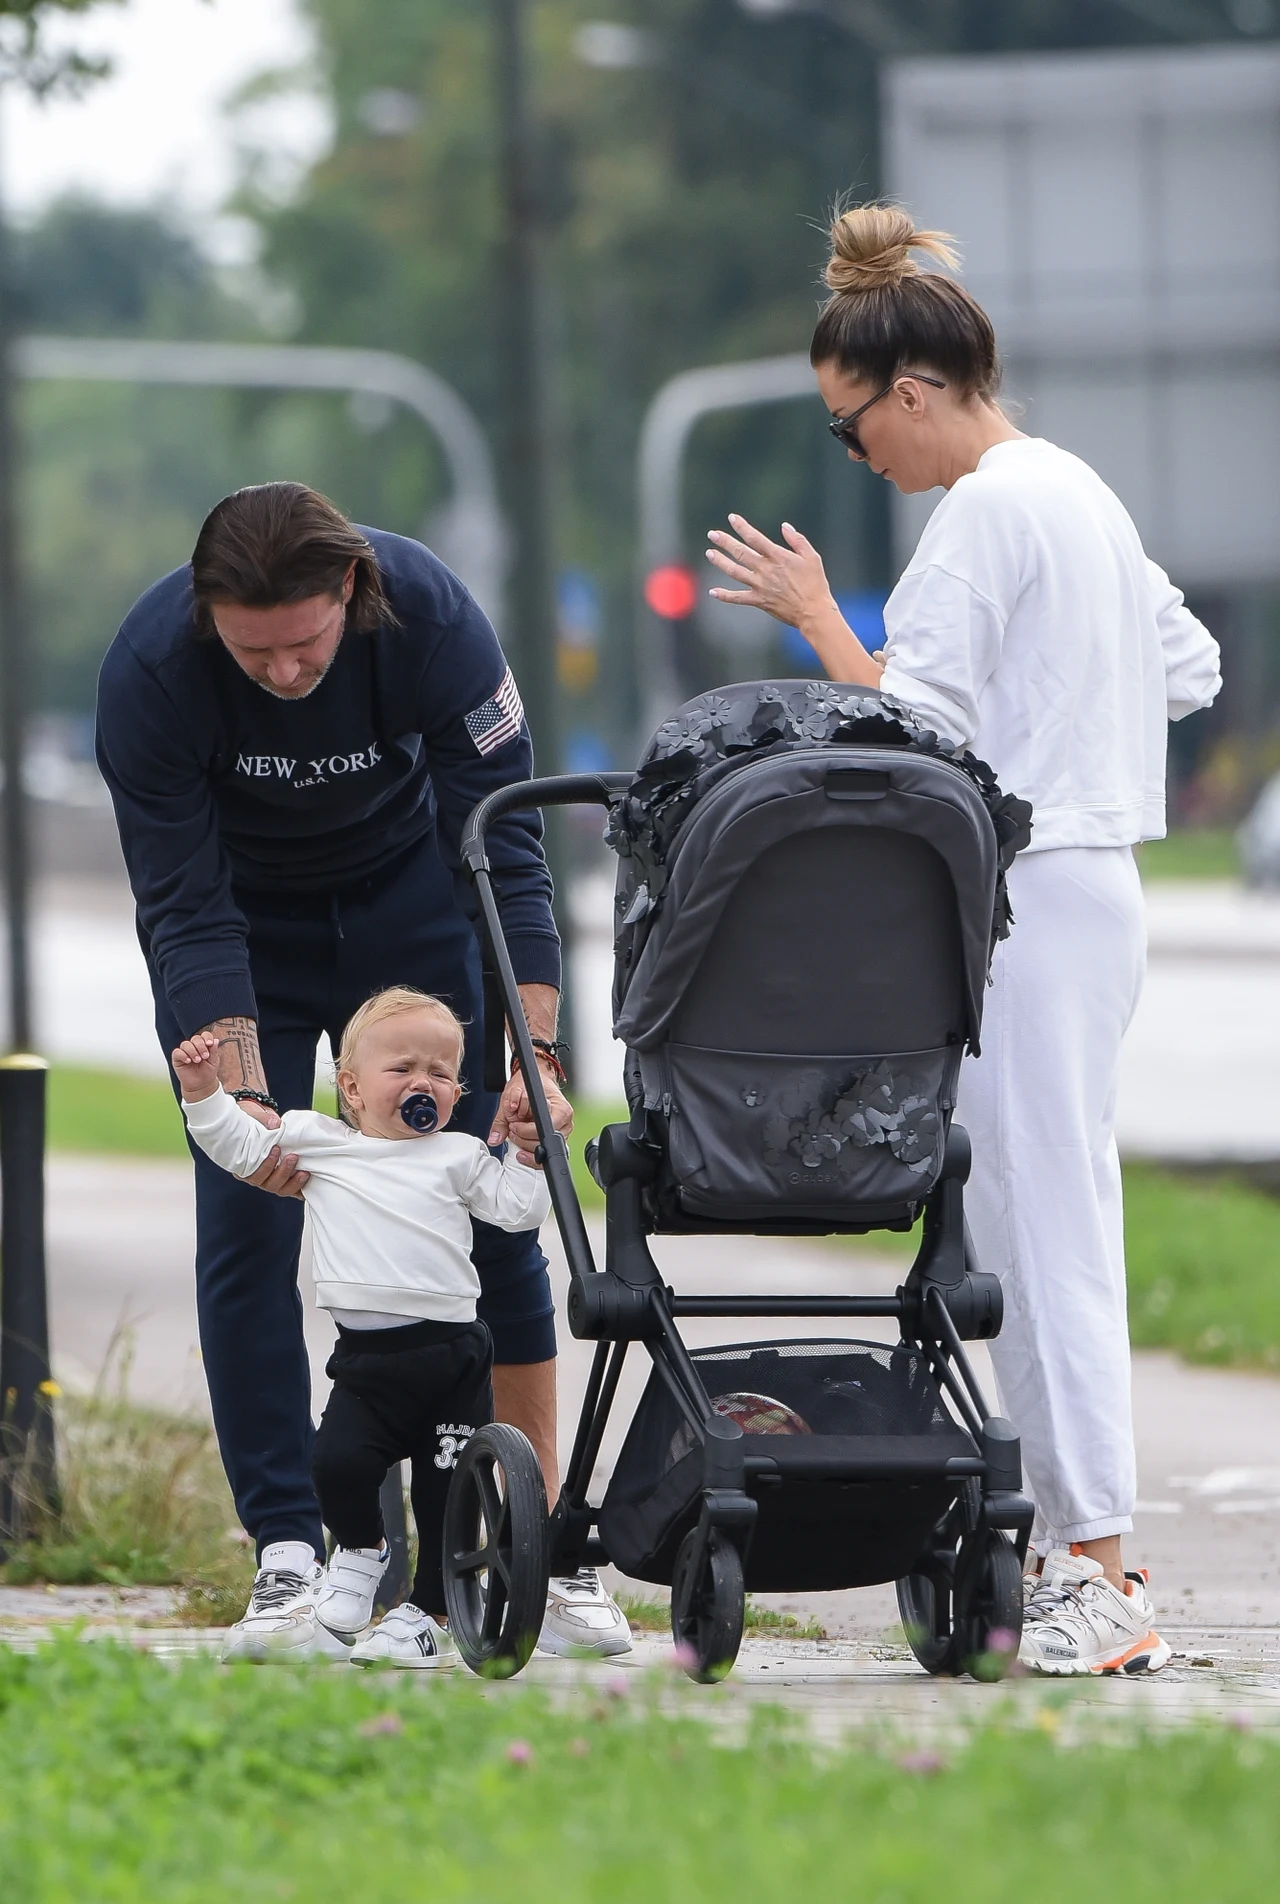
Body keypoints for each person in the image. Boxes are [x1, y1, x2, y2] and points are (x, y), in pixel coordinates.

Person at [705, 204, 1221, 1676]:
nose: (857, 455)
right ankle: (1084, 1553)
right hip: (1095, 876)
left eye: (850, 428)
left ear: (915, 392)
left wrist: (816, 616)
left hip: (1026, 893)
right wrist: (1080, 716)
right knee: (1056, 1218)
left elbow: (903, 741)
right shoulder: (1080, 490)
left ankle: (1099, 1568)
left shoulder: (983, 513)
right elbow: (1189, 665)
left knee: (1045, 1232)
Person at [96, 482, 632, 1662]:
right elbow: (181, 907)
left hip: (415, 904)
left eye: (305, 645)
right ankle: (291, 1551)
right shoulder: (148, 677)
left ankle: (528, 1525)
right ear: (206, 619)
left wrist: (534, 1051)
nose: (284, 672)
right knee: (245, 1215)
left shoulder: (432, 618)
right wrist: (236, 1090)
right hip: (245, 927)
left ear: (350, 593)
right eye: (254, 653)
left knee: (489, 1195)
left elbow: (508, 844)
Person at [172, 987, 550, 1667]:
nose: (422, 1082)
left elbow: (519, 1213)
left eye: (440, 1071)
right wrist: (203, 1092)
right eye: (401, 1067)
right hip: (368, 1362)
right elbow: (237, 1146)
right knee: (334, 1464)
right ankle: (361, 1553)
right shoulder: (321, 1143)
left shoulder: (459, 1156)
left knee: (446, 1499)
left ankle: (427, 1615)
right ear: (349, 1085)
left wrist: (529, 1153)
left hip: (451, 1358)